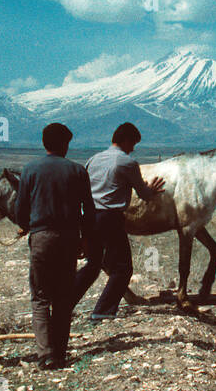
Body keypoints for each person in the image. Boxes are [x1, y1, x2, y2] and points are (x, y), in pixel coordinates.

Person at [14, 123, 94, 370]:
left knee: (40, 297)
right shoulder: (78, 171)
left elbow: (20, 210)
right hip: (69, 238)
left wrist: (28, 225)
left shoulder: (30, 170)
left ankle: (45, 354)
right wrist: (85, 239)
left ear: (43, 143)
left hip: (41, 238)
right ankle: (60, 352)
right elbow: (88, 212)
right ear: (66, 144)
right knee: (63, 297)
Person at [73, 122, 165, 322]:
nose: (133, 149)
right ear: (126, 140)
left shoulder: (93, 159)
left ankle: (64, 302)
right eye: (133, 144)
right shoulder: (127, 162)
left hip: (88, 216)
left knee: (93, 265)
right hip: (109, 218)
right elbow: (143, 194)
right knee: (123, 269)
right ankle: (103, 311)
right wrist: (152, 190)